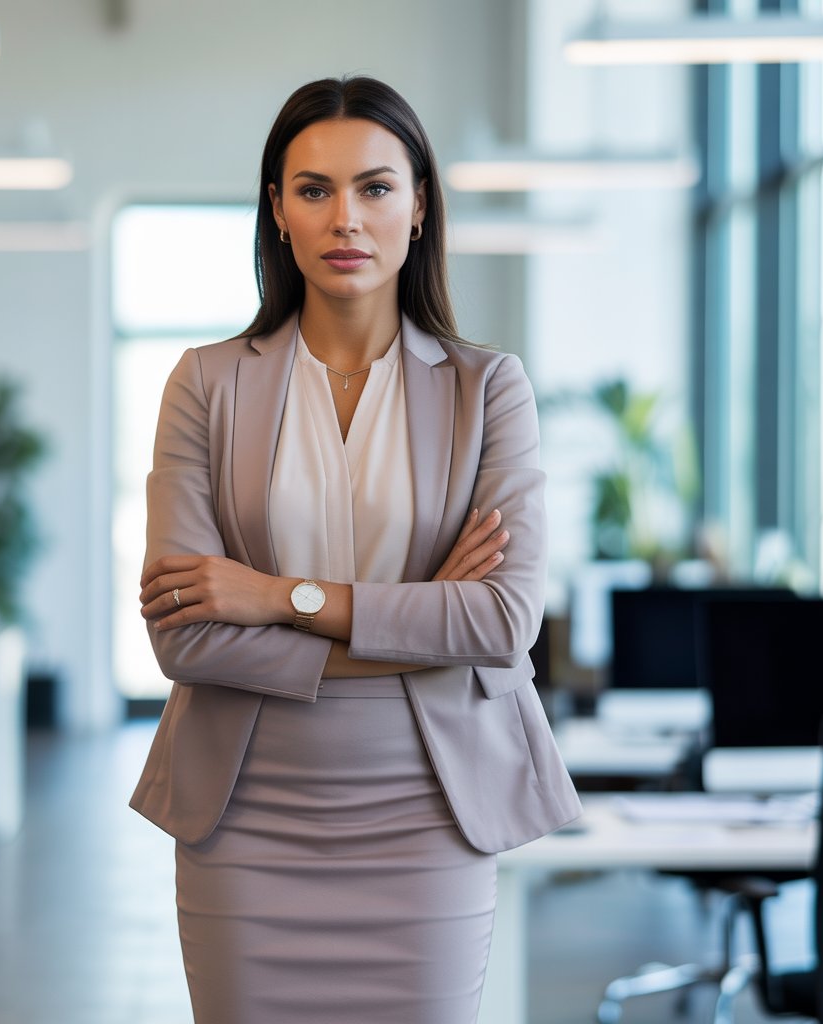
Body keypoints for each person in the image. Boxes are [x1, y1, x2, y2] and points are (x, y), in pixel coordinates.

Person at [131, 74, 581, 1024]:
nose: (347, 217)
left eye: (376, 187)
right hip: (246, 817)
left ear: (419, 208)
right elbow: (184, 638)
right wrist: (419, 623)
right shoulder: (205, 386)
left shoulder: (487, 389)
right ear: (278, 212)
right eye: (314, 189)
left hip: (428, 811)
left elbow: (504, 619)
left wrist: (272, 596)